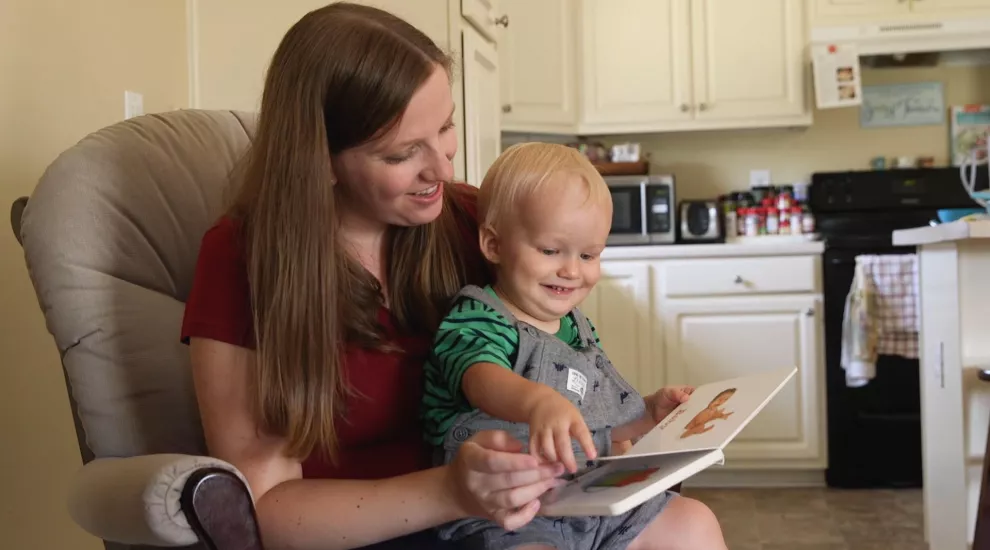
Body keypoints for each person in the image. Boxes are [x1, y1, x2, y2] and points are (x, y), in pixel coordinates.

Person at [181, 2, 725, 549]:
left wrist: (623, 428)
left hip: (528, 505)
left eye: (445, 127)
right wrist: (452, 492)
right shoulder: (242, 259)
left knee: (690, 526)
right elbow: (266, 507)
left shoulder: (470, 219)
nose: (442, 168)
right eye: (402, 153)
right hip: (376, 531)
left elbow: (557, 360)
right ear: (319, 159)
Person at [421, 143, 728, 550]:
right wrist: (537, 403)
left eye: (588, 255)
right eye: (550, 251)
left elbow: (597, 420)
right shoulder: (481, 315)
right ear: (493, 245)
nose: (570, 270)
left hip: (588, 502)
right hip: (502, 517)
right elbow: (479, 377)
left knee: (693, 521)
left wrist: (649, 413)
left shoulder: (578, 329)